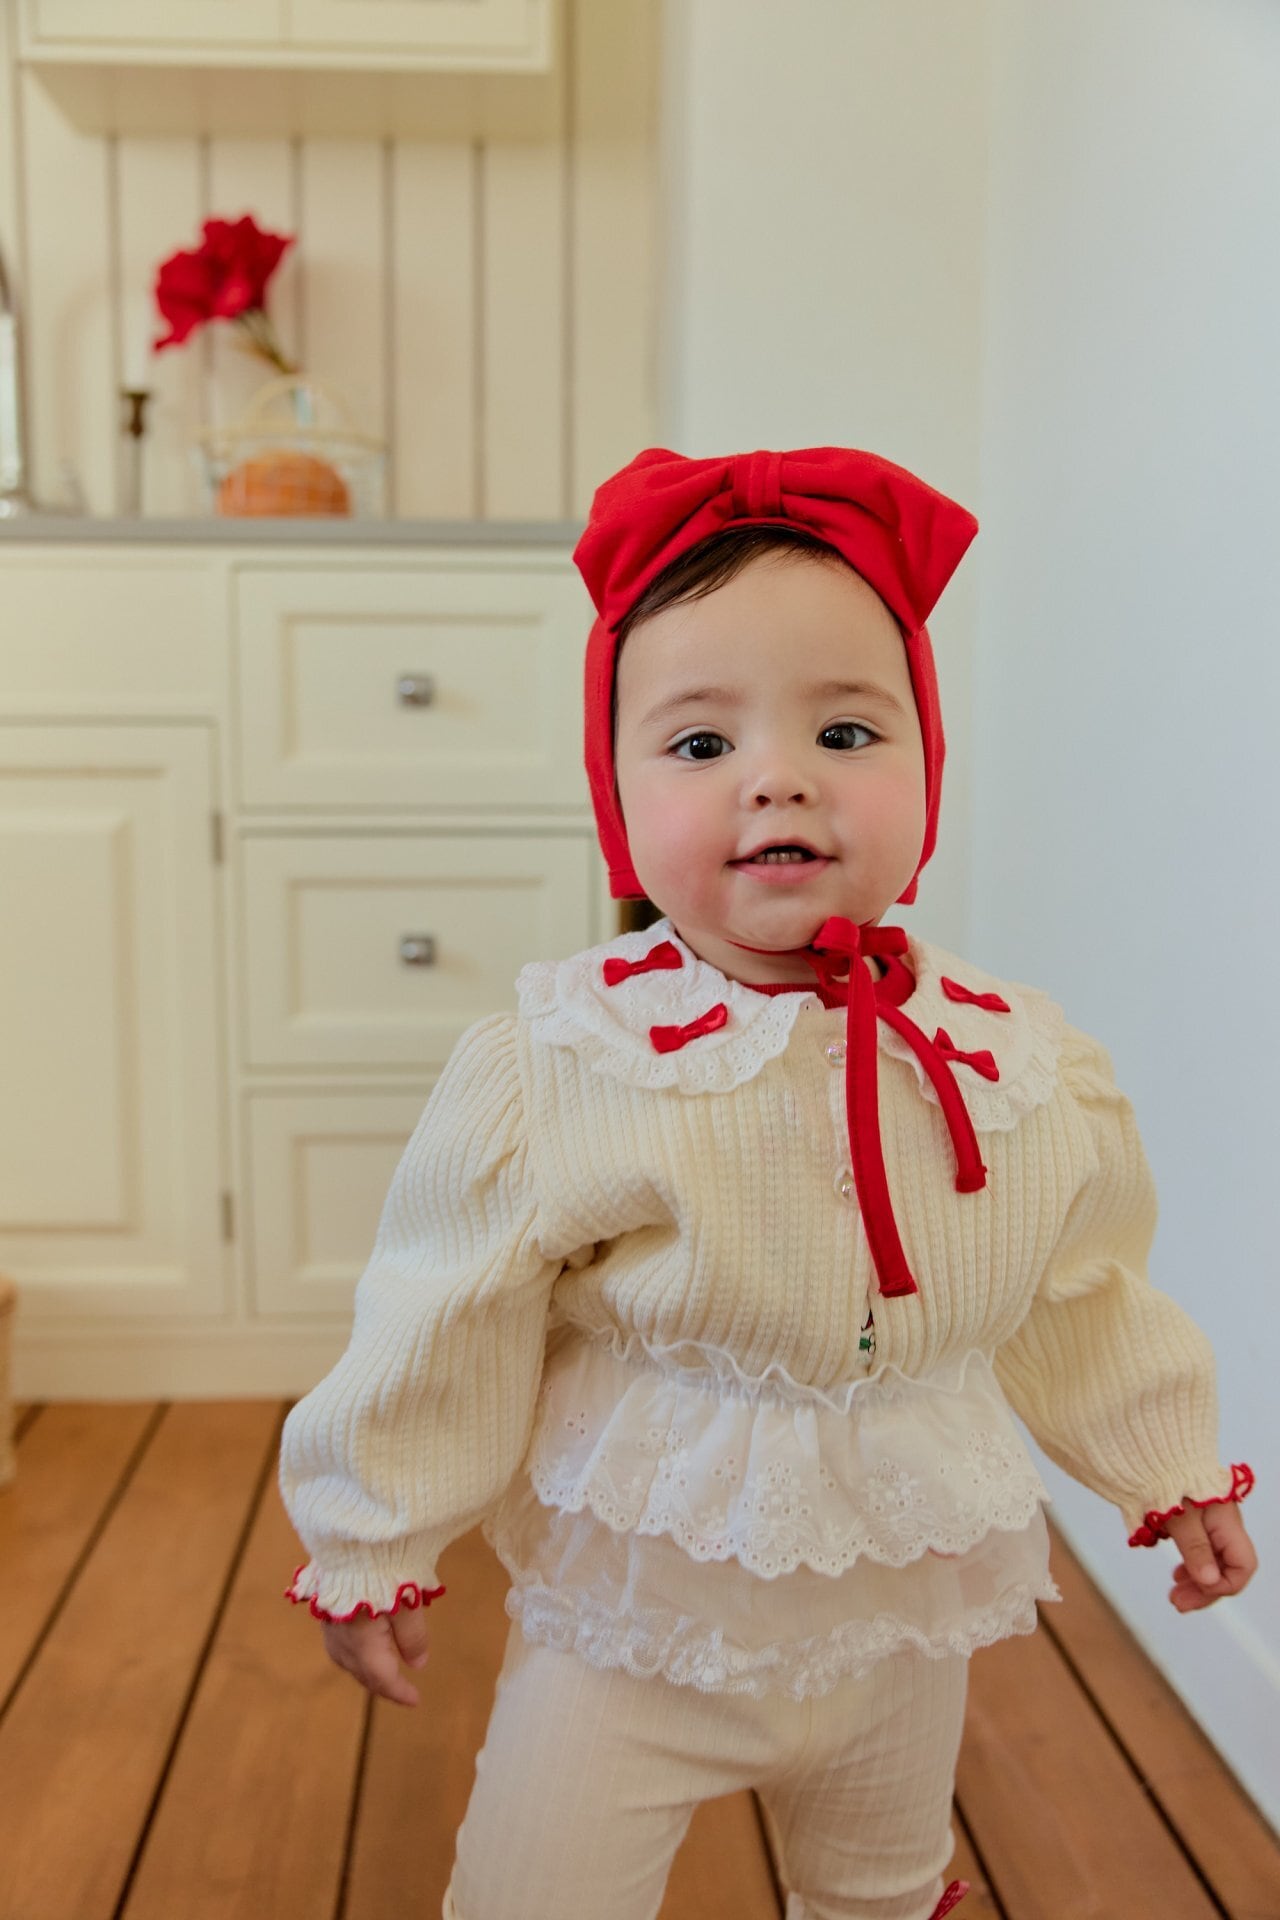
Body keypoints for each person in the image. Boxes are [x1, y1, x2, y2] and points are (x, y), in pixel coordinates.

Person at [279, 444, 1258, 1920]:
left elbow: (1082, 1291)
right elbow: (443, 1309)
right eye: (699, 743)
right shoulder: (570, 1062)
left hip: (897, 1607)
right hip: (639, 1615)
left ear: (929, 769)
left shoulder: (1017, 1063)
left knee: (878, 1889)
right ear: (616, 800)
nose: (780, 776)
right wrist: (374, 1534)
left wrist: (1165, 1466)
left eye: (848, 730)